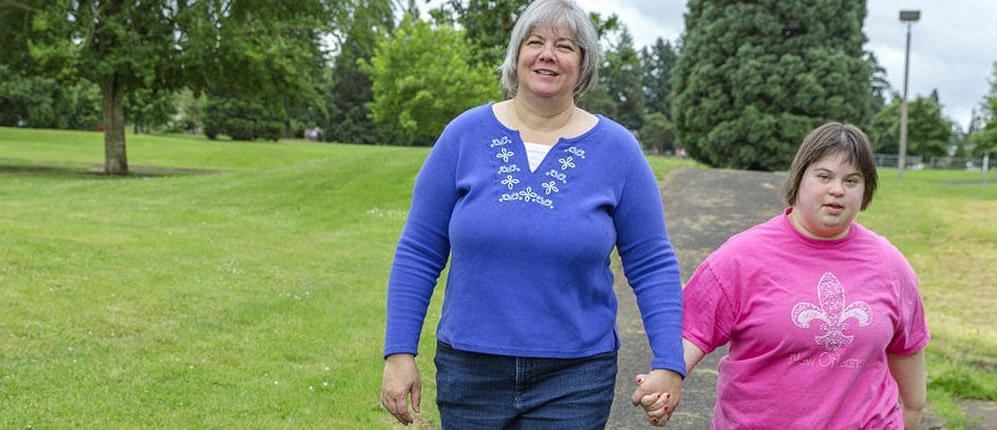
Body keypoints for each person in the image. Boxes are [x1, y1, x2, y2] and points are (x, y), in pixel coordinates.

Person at [379, 0, 685, 427]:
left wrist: (669, 361)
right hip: (470, 371)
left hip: (576, 378)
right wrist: (399, 353)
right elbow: (418, 251)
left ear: (583, 65)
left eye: (565, 46)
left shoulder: (619, 151)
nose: (547, 54)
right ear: (516, 55)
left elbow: (652, 263)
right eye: (535, 41)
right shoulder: (463, 136)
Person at [637, 123, 929, 429]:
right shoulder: (742, 257)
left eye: (852, 180)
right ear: (799, 178)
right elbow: (693, 330)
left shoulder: (889, 264)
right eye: (824, 176)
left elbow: (907, 348)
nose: (837, 190)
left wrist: (913, 411)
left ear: (866, 189)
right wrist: (667, 377)